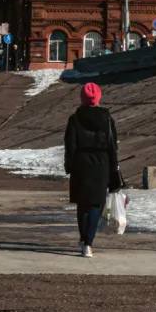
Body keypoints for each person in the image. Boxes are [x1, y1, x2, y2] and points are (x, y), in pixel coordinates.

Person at [64, 82, 122, 258]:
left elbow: (70, 145)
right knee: (97, 203)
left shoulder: (75, 119)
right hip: (102, 164)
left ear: (82, 98)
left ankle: (83, 239)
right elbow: (113, 145)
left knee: (83, 204)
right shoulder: (107, 119)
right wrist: (114, 166)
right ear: (98, 98)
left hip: (81, 163)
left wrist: (70, 165)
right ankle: (89, 243)